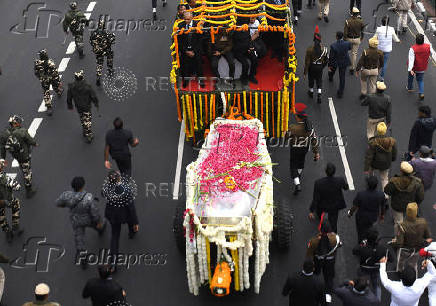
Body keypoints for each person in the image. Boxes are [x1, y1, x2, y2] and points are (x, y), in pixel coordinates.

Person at [56, 176, 106, 269]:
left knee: (79, 240)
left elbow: (58, 203)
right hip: (88, 219)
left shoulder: (66, 195)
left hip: (76, 220)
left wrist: (66, 205)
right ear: (82, 186)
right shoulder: (88, 197)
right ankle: (100, 229)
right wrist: (98, 221)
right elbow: (94, 212)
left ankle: (83, 258)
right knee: (97, 225)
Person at [102, 171, 139, 257]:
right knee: (130, 220)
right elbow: (131, 208)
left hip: (111, 214)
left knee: (115, 236)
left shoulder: (106, 188)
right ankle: (132, 233)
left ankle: (113, 261)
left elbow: (103, 193)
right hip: (123, 214)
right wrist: (135, 222)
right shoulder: (125, 190)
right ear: (118, 179)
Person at [286, 103, 320, 195]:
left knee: (293, 165)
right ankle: (298, 175)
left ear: (298, 118)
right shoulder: (309, 128)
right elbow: (314, 140)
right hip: (304, 149)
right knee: (301, 163)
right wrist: (316, 152)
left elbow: (287, 137)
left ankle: (297, 183)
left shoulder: (293, 127)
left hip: (295, 149)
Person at [0, 115, 37, 198]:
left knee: (22, 165)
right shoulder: (22, 132)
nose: (20, 124)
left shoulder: (5, 134)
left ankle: (22, 169)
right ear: (15, 124)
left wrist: (2, 158)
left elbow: (2, 147)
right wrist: (35, 144)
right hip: (25, 155)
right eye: (18, 123)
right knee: (27, 172)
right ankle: (29, 190)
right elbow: (30, 140)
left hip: (16, 155)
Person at [384, 162, 424, 233]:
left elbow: (387, 191)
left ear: (401, 171)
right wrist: (415, 203)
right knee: (409, 221)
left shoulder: (394, 181)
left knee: (398, 223)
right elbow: (420, 197)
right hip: (410, 206)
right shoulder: (417, 183)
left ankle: (398, 238)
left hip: (397, 206)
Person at [310, 162, 349, 233]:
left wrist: (312, 210)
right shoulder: (340, 180)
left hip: (322, 205)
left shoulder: (318, 183)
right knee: (333, 222)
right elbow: (346, 188)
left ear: (326, 171)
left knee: (320, 213)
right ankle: (333, 236)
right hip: (335, 205)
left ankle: (322, 223)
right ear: (334, 171)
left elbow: (315, 198)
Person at [307, 217, 341, 294]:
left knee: (315, 274)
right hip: (330, 261)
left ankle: (314, 289)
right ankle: (328, 295)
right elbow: (339, 244)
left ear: (321, 229)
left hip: (318, 261)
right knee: (329, 278)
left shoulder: (314, 241)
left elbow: (309, 253)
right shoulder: (336, 238)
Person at [348, 176, 386, 244]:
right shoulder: (381, 195)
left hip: (361, 217)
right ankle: (370, 244)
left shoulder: (361, 194)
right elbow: (383, 206)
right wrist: (382, 215)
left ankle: (361, 245)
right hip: (373, 217)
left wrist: (350, 213)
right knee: (371, 231)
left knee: (360, 232)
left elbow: (355, 206)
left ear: (367, 185)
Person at [352, 229, 387, 300]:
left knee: (363, 285)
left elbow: (354, 251)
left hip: (364, 269)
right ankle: (377, 302)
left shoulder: (362, 247)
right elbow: (391, 259)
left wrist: (362, 243)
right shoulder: (382, 248)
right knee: (376, 286)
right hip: (376, 269)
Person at [67, 70, 99, 143]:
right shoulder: (87, 86)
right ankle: (88, 134)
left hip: (78, 106)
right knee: (88, 119)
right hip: (87, 106)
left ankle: (85, 129)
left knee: (82, 117)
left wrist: (70, 105)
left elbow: (69, 97)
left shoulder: (71, 86)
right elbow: (93, 96)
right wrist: (96, 103)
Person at [364, 122, 397, 191]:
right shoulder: (392, 141)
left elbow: (369, 156)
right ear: (385, 130)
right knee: (384, 178)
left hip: (374, 163)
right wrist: (392, 159)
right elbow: (394, 152)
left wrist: (366, 168)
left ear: (377, 130)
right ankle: (386, 194)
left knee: (371, 173)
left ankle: (371, 183)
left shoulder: (373, 142)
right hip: (386, 163)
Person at [178, 12, 204, 88]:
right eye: (185, 19)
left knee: (199, 66)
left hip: (196, 50)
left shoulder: (197, 25)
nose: (186, 21)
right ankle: (186, 80)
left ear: (192, 18)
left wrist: (194, 51)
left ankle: (201, 80)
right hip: (185, 50)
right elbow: (179, 41)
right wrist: (186, 51)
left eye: (188, 19)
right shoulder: (180, 25)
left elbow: (200, 40)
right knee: (185, 66)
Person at [34, 49, 63, 116]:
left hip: (44, 80)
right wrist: (58, 81)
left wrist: (40, 78)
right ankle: (58, 91)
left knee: (46, 92)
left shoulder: (37, 63)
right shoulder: (50, 62)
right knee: (55, 86)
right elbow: (55, 72)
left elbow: (36, 73)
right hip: (52, 78)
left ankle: (49, 107)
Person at [0, 159, 23, 243]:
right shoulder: (5, 178)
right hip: (8, 200)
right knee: (16, 204)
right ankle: (15, 225)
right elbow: (17, 186)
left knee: (1, 219)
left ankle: (8, 232)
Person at [304, 26, 329, 104]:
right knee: (319, 80)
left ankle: (311, 92)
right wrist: (322, 66)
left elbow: (307, 62)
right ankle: (319, 93)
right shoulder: (324, 49)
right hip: (319, 67)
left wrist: (305, 72)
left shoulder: (309, 49)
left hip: (312, 67)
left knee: (311, 79)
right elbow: (327, 60)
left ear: (314, 40)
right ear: (320, 40)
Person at [90, 17, 115, 86]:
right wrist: (113, 37)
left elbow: (91, 41)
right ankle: (110, 69)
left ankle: (98, 75)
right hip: (106, 50)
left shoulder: (94, 33)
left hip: (98, 51)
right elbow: (111, 40)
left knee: (99, 63)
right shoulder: (105, 33)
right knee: (110, 57)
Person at [375, 16, 400, 81]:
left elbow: (374, 38)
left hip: (379, 49)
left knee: (377, 62)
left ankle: (376, 73)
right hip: (387, 50)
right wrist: (398, 40)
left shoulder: (379, 29)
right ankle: (382, 77)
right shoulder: (391, 29)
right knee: (384, 63)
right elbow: (396, 39)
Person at [407, 33, 430, 100]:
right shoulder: (428, 46)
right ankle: (421, 92)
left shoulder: (413, 49)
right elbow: (430, 52)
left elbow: (411, 60)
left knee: (410, 77)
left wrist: (410, 69)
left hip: (414, 67)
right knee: (420, 80)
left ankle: (410, 88)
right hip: (422, 67)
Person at [328, 31, 351, 98]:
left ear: (336, 37)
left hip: (336, 61)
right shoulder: (347, 43)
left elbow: (331, 57)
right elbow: (349, 48)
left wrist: (329, 65)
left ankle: (330, 77)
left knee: (332, 70)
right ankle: (340, 92)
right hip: (344, 61)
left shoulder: (333, 46)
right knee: (342, 77)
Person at [344, 7, 364, 74]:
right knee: (354, 53)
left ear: (352, 13)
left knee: (346, 52)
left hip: (349, 39)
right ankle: (352, 67)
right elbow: (363, 31)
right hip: (357, 39)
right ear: (357, 14)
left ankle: (347, 63)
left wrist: (344, 40)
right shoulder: (360, 21)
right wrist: (361, 38)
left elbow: (345, 33)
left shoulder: (348, 21)